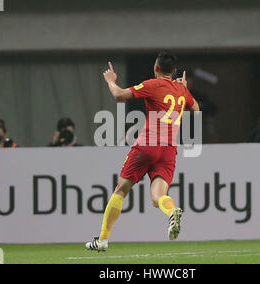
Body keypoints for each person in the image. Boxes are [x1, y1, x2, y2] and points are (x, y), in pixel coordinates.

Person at [86, 51, 200, 252]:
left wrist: (111, 81)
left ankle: (102, 239)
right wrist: (183, 88)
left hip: (147, 145)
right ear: (174, 71)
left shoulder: (152, 84)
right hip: (168, 151)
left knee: (121, 190)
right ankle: (172, 211)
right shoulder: (181, 90)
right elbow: (196, 109)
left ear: (156, 68)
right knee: (158, 197)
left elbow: (119, 95)